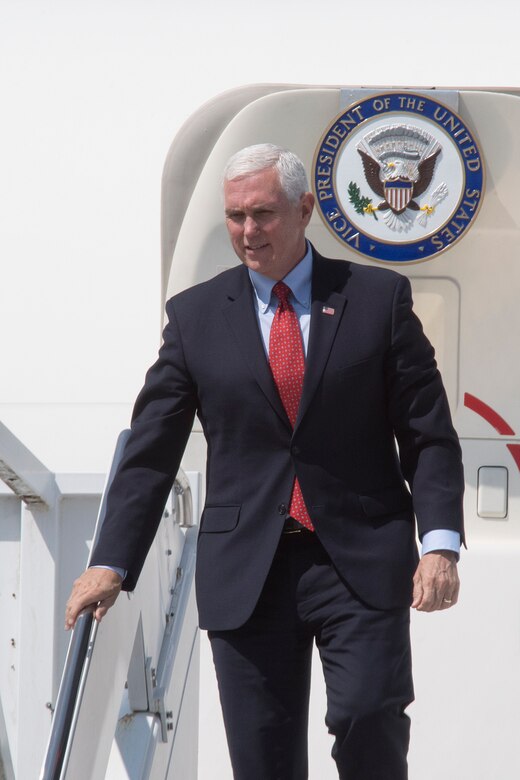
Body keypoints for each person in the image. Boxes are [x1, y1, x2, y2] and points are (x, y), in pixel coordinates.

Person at [65, 143, 464, 779]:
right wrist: (111, 561)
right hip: (247, 567)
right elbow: (151, 448)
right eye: (235, 216)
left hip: (357, 557)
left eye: (263, 214)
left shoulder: (376, 299)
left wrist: (439, 544)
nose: (248, 231)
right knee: (263, 762)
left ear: (304, 209)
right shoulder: (195, 317)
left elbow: (427, 433)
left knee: (368, 718)